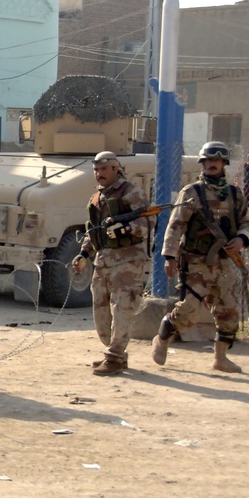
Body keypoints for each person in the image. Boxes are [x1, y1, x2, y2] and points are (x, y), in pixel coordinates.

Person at [151, 141, 249, 374]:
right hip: (196, 261)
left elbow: (247, 222)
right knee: (188, 310)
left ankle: (220, 358)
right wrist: (169, 256)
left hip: (225, 262)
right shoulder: (192, 192)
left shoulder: (235, 194)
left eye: (216, 161)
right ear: (202, 163)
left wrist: (241, 239)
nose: (212, 164)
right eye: (208, 160)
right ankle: (162, 339)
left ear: (224, 164)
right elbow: (175, 226)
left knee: (229, 312)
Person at [71, 152, 152, 376]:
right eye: (96, 169)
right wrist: (84, 254)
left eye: (104, 169)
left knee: (122, 306)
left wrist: (126, 229)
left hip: (128, 259)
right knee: (100, 308)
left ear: (116, 169)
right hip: (103, 261)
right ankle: (114, 352)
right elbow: (93, 231)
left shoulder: (131, 192)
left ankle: (115, 355)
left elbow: (148, 220)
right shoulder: (96, 198)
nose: (99, 173)